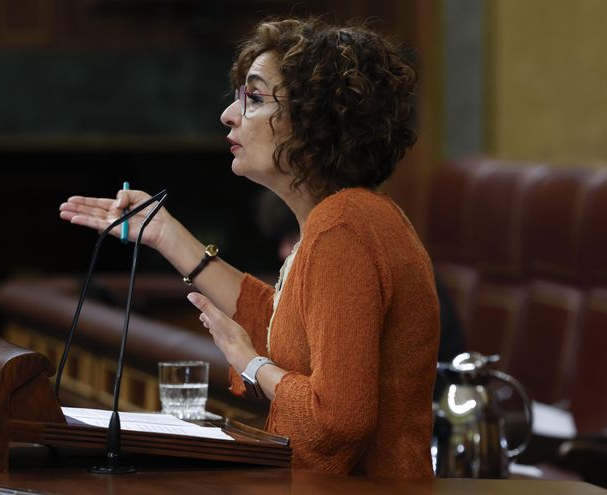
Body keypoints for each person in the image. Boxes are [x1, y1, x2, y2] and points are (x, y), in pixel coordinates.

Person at [59, 17, 440, 479]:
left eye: (254, 98)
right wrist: (164, 234)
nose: (228, 114)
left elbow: (339, 419)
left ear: (314, 120)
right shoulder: (348, 217)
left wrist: (251, 363)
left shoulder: (344, 227)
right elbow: (279, 323)